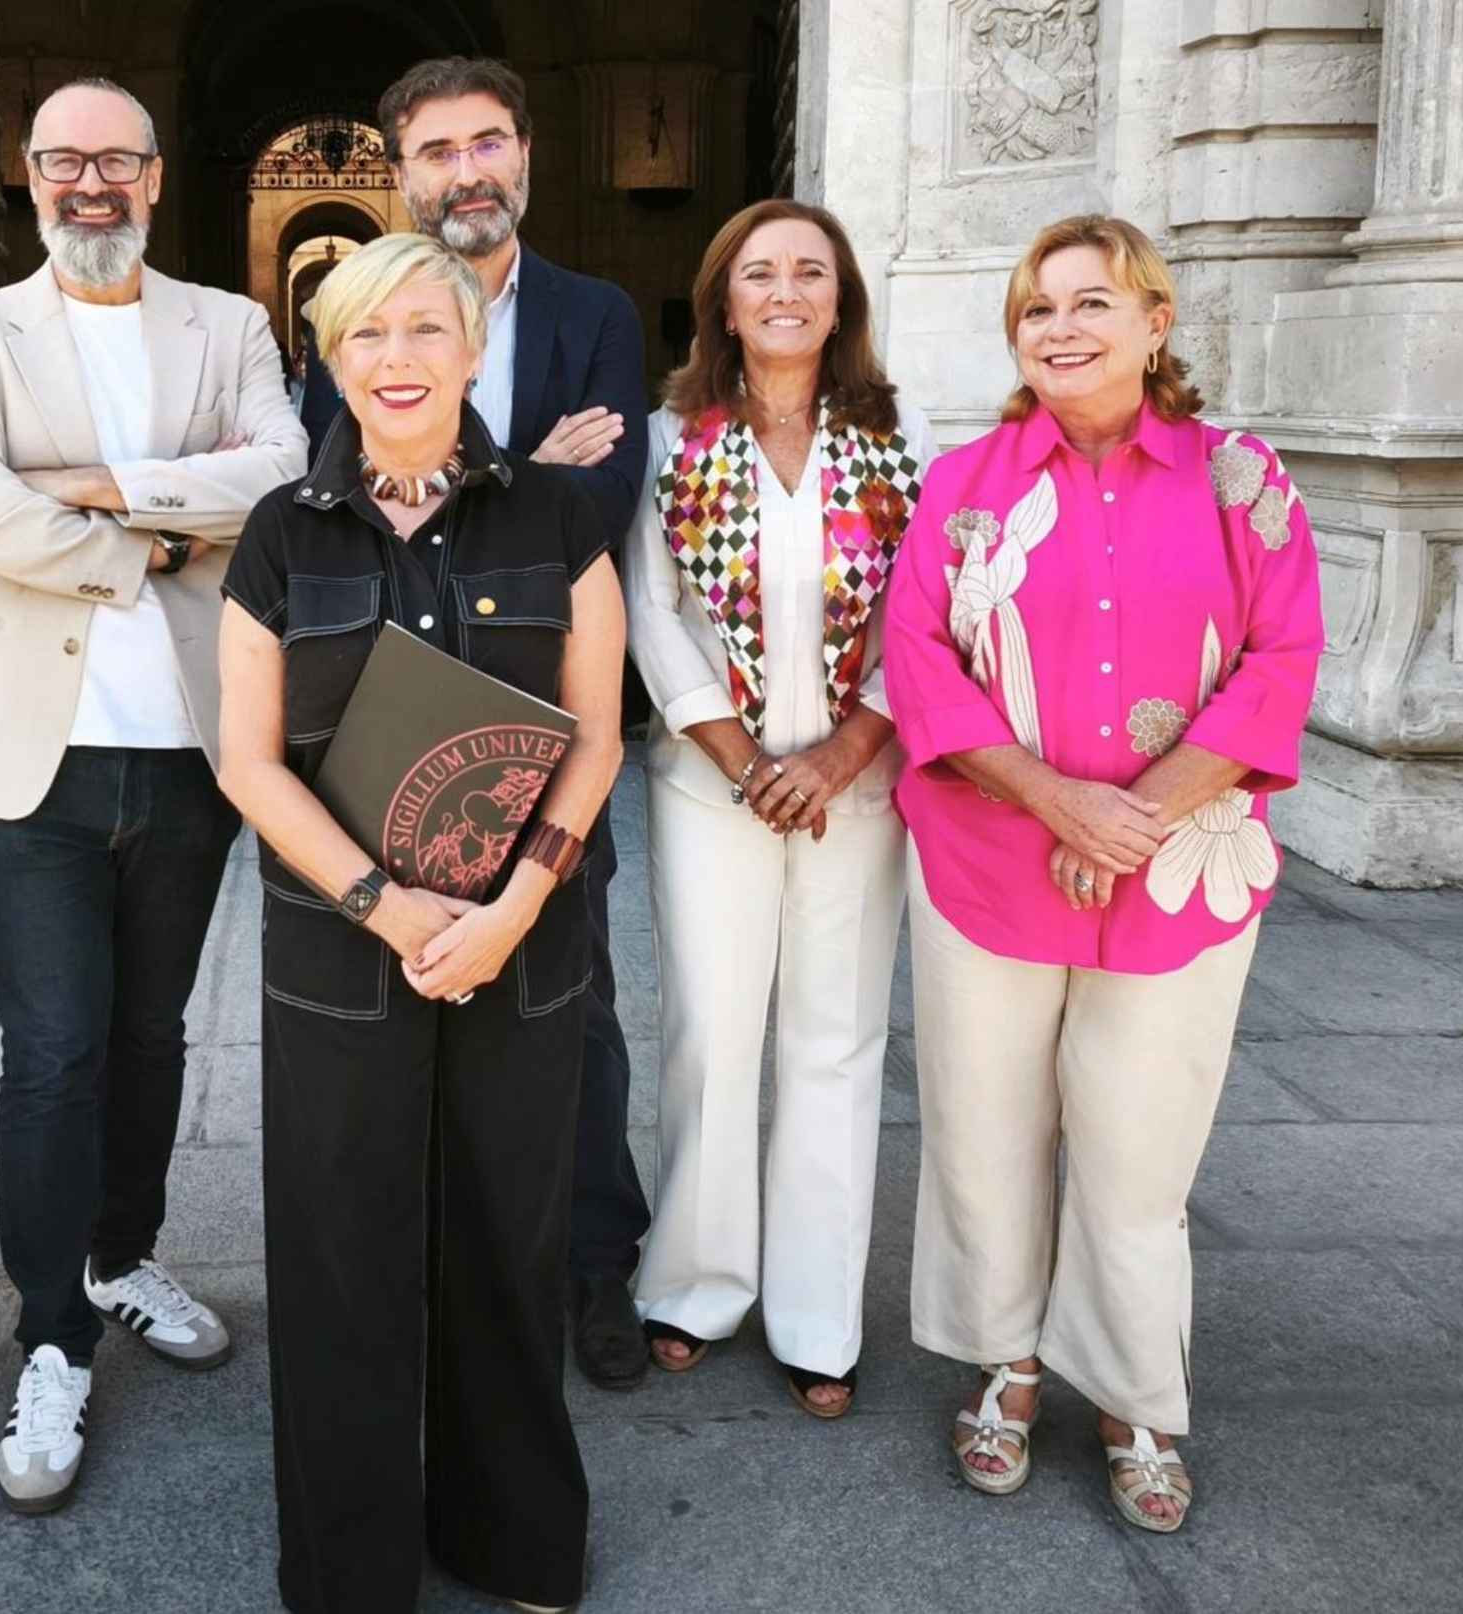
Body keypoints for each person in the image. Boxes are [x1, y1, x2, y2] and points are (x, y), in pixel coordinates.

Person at [881, 215, 1324, 1533]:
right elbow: (918, 662)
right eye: (1037, 310)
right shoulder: (961, 482)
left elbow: (1281, 658)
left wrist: (1129, 813)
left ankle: (1135, 1390)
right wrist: (1055, 801)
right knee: (979, 1128)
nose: (1062, 329)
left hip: (1174, 858)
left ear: (1153, 323)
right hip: (990, 854)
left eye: (1091, 303)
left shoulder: (1239, 478)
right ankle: (1005, 1362)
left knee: (1138, 1148)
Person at [0, 77, 307, 1513]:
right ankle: (49, 1332)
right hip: (33, 759)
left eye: (117, 160)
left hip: (193, 746)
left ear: (152, 175)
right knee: (53, 1045)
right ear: (27, 176)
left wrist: (83, 482)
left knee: (148, 1035)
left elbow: (279, 471)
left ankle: (118, 1252)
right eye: (65, 160)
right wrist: (149, 534)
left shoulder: (229, 324)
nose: (92, 182)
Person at [217, 231, 627, 1614]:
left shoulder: (556, 518)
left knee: (506, 1237)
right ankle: (350, 1568)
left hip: (522, 945)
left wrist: (517, 902)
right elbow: (247, 759)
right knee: (340, 1252)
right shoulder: (282, 533)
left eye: (423, 331)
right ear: (329, 361)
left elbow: (597, 733)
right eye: (363, 336)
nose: (396, 360)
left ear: (467, 347)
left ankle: (511, 1536)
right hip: (341, 951)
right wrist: (383, 904)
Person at [301, 52, 658, 1390]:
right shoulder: (364, 306)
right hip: (393, 716)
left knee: (576, 999)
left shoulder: (594, 311)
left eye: (489, 142)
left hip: (557, 713)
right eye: (439, 149)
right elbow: (337, 482)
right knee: (401, 1000)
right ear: (401, 173)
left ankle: (589, 1262)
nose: (468, 169)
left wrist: (482, 478)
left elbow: (601, 498)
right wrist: (522, 471)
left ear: (524, 156)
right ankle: (438, 1257)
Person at [620, 200, 934, 1415]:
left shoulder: (899, 443)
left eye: (811, 270)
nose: (785, 290)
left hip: (858, 790)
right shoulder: (668, 441)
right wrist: (744, 757)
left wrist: (845, 752)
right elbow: (651, 610)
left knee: (836, 1042)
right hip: (714, 788)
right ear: (724, 300)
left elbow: (924, 619)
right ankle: (693, 1284)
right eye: (759, 273)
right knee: (709, 1033)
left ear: (841, 298)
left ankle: (815, 1316)